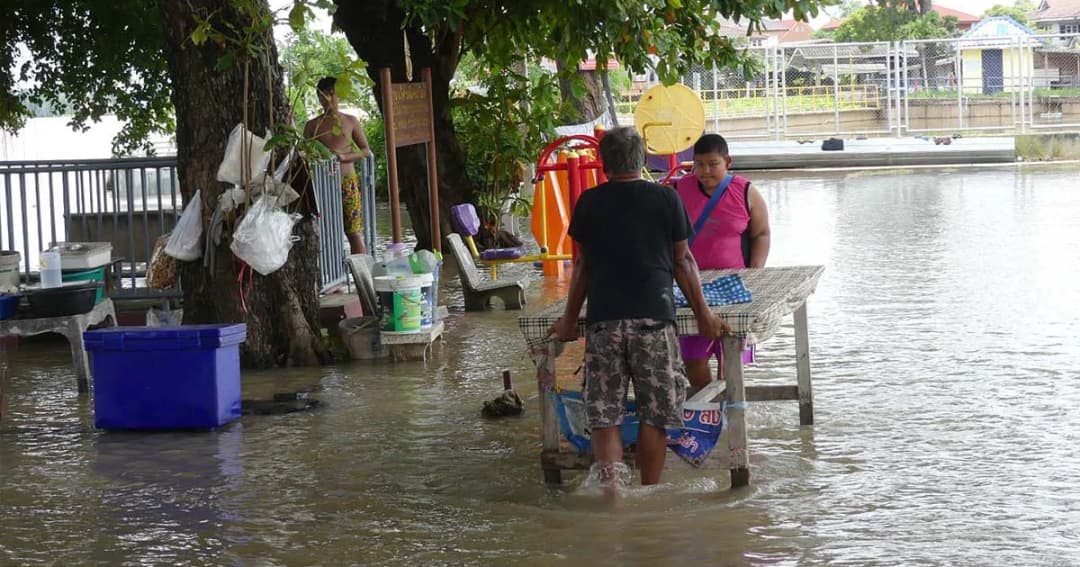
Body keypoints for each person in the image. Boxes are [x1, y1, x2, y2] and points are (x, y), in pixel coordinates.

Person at [550, 127, 728, 488]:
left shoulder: (589, 202)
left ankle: (612, 496)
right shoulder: (666, 199)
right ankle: (649, 491)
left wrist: (569, 320)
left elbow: (582, 266)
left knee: (605, 414)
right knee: (656, 413)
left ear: (603, 164)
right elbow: (683, 263)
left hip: (604, 322)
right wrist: (704, 316)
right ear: (643, 158)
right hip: (654, 319)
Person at [674, 134, 771, 393]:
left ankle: (731, 413)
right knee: (693, 359)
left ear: (728, 162)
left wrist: (754, 274)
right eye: (699, 164)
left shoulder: (746, 190)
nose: (705, 172)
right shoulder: (679, 190)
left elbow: (761, 234)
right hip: (690, 289)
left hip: (735, 289)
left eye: (713, 164)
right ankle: (710, 414)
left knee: (731, 358)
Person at [304, 76, 372, 254]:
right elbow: (305, 155)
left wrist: (343, 156)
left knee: (354, 232)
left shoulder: (351, 121)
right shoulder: (312, 126)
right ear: (319, 98)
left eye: (332, 94)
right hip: (322, 186)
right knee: (324, 232)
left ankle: (362, 276)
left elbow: (365, 151)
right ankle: (330, 276)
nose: (328, 99)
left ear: (338, 95)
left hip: (347, 182)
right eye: (323, 95)